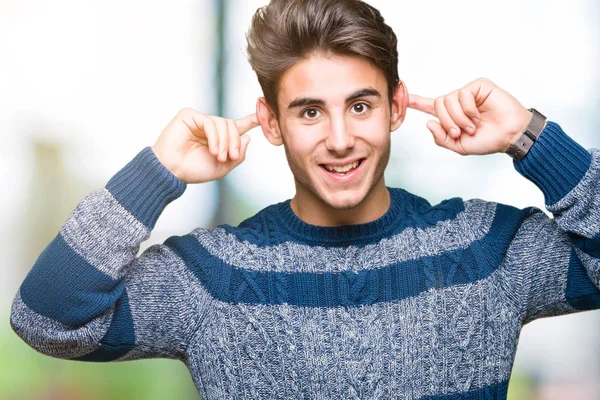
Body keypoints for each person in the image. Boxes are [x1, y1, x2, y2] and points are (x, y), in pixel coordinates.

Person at [10, 0, 600, 398]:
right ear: (271, 124)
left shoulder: (486, 250)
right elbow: (47, 317)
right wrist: (157, 172)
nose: (340, 139)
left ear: (396, 108)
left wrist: (533, 136)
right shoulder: (213, 277)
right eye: (310, 111)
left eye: (361, 106)